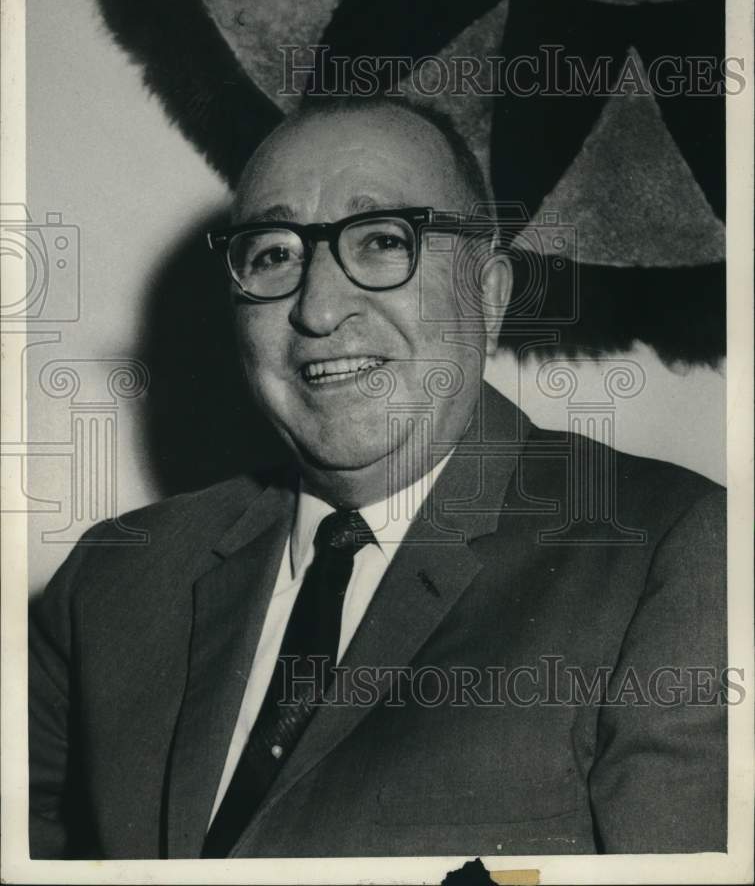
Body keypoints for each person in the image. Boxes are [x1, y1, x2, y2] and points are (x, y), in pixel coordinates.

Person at [29, 98, 727, 860]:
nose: (319, 309)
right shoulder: (112, 579)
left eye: (382, 241)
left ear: (489, 296)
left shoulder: (668, 555)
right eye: (273, 254)